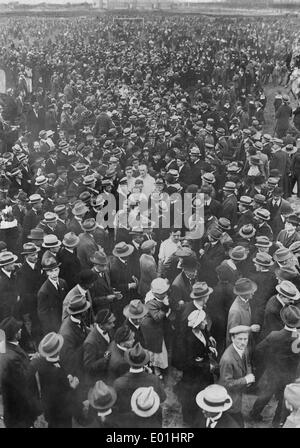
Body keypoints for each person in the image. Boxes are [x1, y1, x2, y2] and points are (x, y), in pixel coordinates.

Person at [250, 305, 300, 427]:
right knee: (284, 400)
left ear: (284, 320)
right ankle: (277, 423)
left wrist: (267, 360)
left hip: (273, 372)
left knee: (265, 394)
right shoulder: (298, 338)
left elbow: (258, 350)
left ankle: (254, 414)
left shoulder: (274, 336)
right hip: (290, 375)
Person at [31, 332, 79, 428]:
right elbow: (62, 397)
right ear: (58, 349)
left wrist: (66, 377)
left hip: (49, 409)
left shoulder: (41, 363)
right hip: (61, 413)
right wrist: (73, 386)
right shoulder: (56, 372)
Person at [0, 317, 40, 428]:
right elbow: (25, 377)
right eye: (18, 329)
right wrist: (35, 362)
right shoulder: (11, 357)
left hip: (17, 407)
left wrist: (29, 359)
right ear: (13, 334)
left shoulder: (10, 347)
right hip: (19, 410)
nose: (21, 330)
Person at [113, 343, 166, 415]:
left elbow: (116, 405)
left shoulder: (118, 383)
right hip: (149, 420)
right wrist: (150, 376)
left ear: (129, 361)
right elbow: (162, 398)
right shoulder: (154, 380)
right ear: (144, 362)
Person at [219, 325, 254, 427]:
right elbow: (227, 383)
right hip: (230, 398)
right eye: (240, 339)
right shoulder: (227, 359)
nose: (243, 342)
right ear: (232, 338)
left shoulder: (243, 348)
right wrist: (246, 380)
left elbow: (247, 363)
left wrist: (249, 373)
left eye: (245, 339)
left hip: (238, 394)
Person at [141, 278, 172, 378]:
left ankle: (159, 366)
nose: (165, 294)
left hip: (158, 326)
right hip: (151, 328)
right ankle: (156, 369)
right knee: (156, 349)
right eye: (163, 293)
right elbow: (157, 317)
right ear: (156, 294)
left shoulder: (160, 296)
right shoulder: (150, 302)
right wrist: (165, 306)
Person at [83, 309, 116, 386]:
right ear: (101, 325)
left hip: (111, 374)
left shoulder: (110, 329)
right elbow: (88, 367)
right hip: (100, 381)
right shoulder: (90, 342)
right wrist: (105, 359)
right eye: (110, 323)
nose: (113, 325)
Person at [37, 255, 68, 335]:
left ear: (59, 269)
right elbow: (43, 315)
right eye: (51, 271)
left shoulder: (63, 283)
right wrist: (51, 331)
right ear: (46, 272)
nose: (54, 274)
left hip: (64, 320)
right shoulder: (43, 291)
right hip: (54, 325)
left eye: (56, 270)